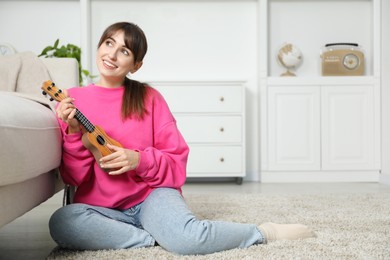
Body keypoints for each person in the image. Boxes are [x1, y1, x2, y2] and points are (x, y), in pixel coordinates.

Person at [49, 21, 315, 255]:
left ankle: (262, 232)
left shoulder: (149, 98)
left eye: (125, 51)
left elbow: (176, 165)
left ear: (136, 65)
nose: (112, 54)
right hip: (101, 210)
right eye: (109, 43)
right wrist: (72, 131)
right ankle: (156, 238)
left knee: (190, 239)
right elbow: (74, 178)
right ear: (99, 46)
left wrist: (138, 160)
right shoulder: (73, 100)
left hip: (150, 197)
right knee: (62, 222)